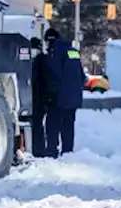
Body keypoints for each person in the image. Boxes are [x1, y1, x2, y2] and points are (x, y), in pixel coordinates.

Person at [42, 28, 85, 157]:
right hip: (74, 97)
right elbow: (81, 76)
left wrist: (49, 94)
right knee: (68, 125)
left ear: (50, 40)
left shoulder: (55, 52)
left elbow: (54, 75)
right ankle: (67, 151)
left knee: (53, 123)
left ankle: (51, 151)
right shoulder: (73, 52)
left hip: (59, 97)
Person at [29, 36, 49, 157]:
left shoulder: (27, 59)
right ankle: (39, 149)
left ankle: (34, 148)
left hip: (30, 96)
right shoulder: (44, 59)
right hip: (41, 97)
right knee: (38, 125)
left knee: (33, 124)